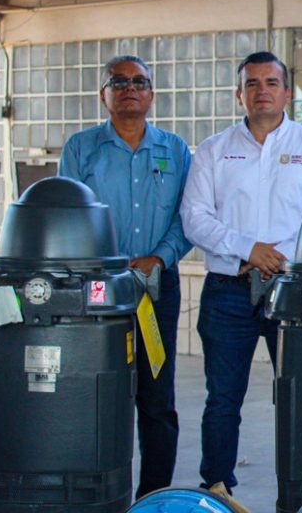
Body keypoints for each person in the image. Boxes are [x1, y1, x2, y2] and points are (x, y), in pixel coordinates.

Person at [180, 51, 302, 493]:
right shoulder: (214, 151)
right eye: (251, 84)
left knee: (301, 398)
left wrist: (281, 256)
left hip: (294, 293)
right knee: (222, 401)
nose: (261, 91)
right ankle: (216, 490)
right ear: (239, 95)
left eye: (271, 82)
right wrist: (247, 249)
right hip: (227, 290)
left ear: (287, 93)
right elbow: (194, 218)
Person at [59, 54, 192, 498]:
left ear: (152, 94)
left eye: (139, 81)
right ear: (104, 95)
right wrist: (105, 264)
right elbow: (69, 217)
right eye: (118, 81)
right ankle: (99, 494)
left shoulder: (174, 150)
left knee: (156, 400)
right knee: (100, 393)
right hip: (99, 293)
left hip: (155, 289)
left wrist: (160, 257)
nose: (129, 88)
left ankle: (153, 497)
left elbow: (186, 218)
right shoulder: (81, 148)